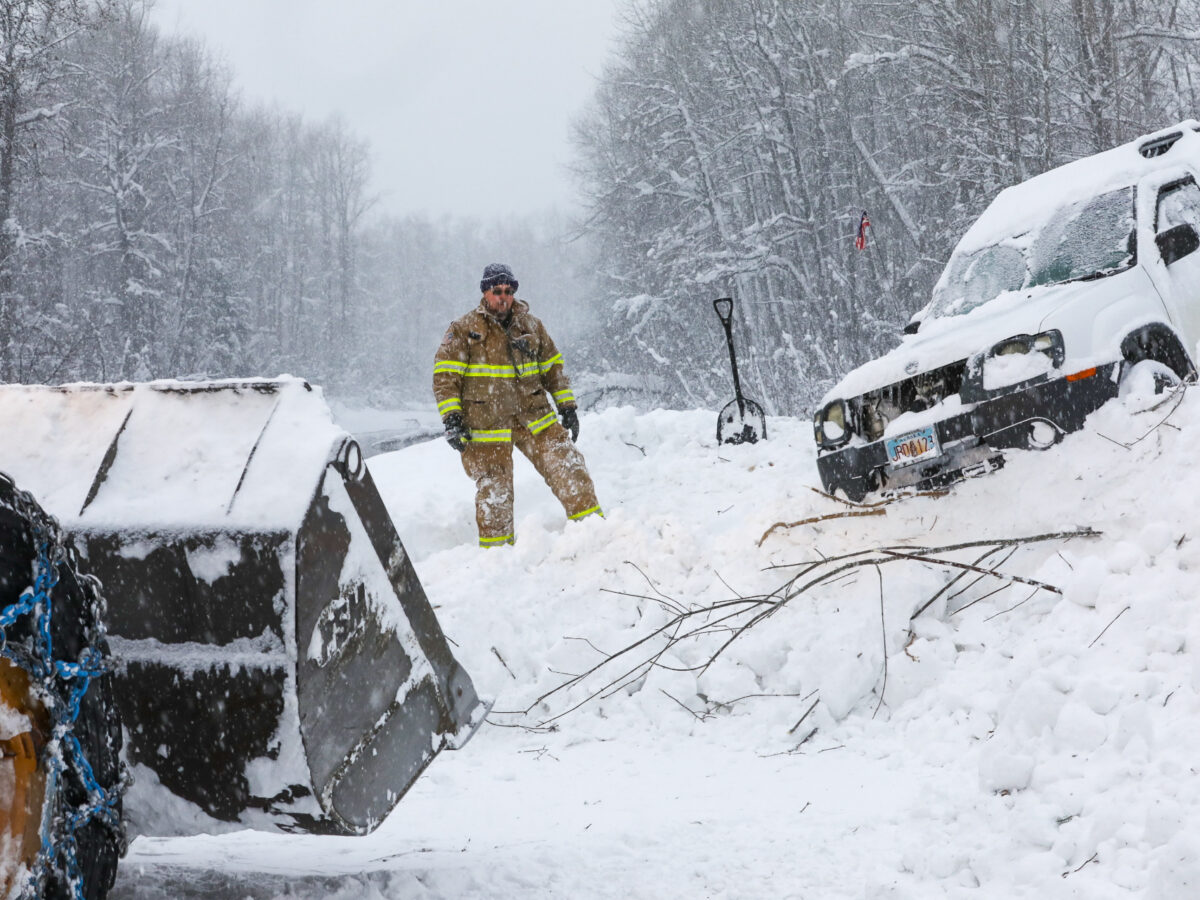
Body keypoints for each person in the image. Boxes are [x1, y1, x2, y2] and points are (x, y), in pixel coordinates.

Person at [433, 263, 602, 547]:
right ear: (485, 292)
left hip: (534, 417)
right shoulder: (463, 329)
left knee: (569, 468)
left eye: (508, 291)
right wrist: (452, 419)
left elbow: (553, 368)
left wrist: (567, 407)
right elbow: (445, 376)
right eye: (497, 291)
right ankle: (497, 556)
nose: (503, 297)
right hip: (487, 425)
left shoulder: (531, 326)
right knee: (494, 495)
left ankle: (595, 533)